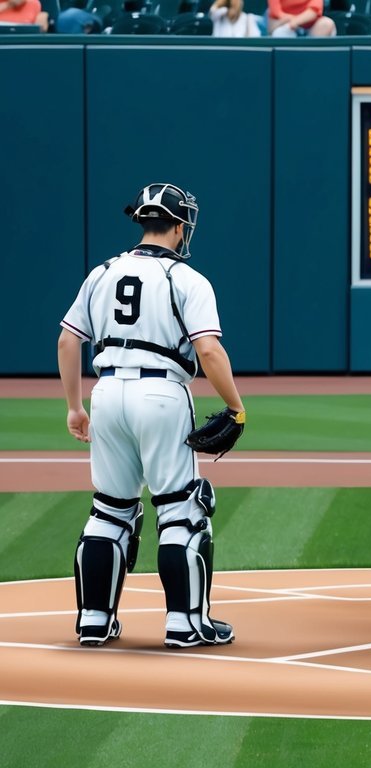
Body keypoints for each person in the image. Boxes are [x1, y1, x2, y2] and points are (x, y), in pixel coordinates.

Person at [58, 183, 246, 649]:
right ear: (180, 227)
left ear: (143, 222)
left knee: (110, 509)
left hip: (107, 393)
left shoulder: (102, 271)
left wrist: (75, 407)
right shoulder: (188, 279)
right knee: (182, 509)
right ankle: (186, 623)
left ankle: (94, 621)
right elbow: (208, 349)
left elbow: (67, 340)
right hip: (161, 394)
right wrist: (237, 408)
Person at [268, 0, 335, 36]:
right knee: (280, 32)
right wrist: (291, 22)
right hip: (285, 23)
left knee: (326, 24)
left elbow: (314, 11)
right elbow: (276, 12)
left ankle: (312, 58)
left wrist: (296, 22)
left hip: (309, 24)